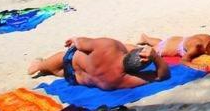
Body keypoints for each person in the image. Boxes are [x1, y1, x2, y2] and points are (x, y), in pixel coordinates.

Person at [28, 36, 170, 90]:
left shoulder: (109, 45)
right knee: (59, 72)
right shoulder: (122, 80)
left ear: (129, 53)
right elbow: (162, 76)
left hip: (70, 59)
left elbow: (81, 43)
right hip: (73, 78)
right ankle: (48, 69)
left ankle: (40, 65)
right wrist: (156, 58)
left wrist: (75, 40)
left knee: (57, 60)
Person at [132, 33, 210, 64]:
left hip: (175, 40)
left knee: (160, 42)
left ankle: (146, 38)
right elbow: (184, 60)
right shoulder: (196, 47)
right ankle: (135, 46)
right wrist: (195, 65)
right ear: (207, 51)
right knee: (146, 51)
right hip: (167, 48)